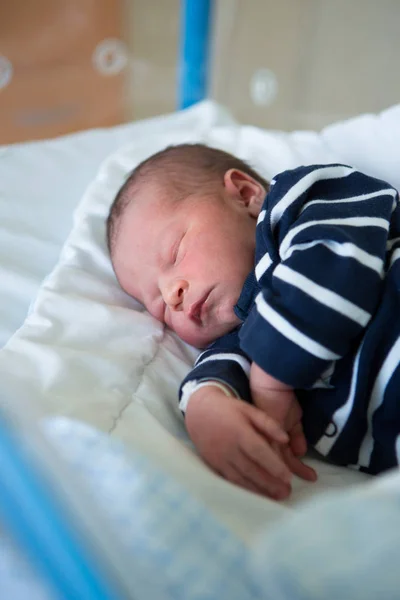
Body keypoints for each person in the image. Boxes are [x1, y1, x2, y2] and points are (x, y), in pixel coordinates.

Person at [106, 143, 400, 500]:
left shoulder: (303, 203)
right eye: (158, 305)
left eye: (175, 252)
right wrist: (206, 409)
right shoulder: (246, 338)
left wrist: (270, 381)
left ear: (245, 195)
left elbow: (336, 259)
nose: (172, 294)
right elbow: (217, 373)